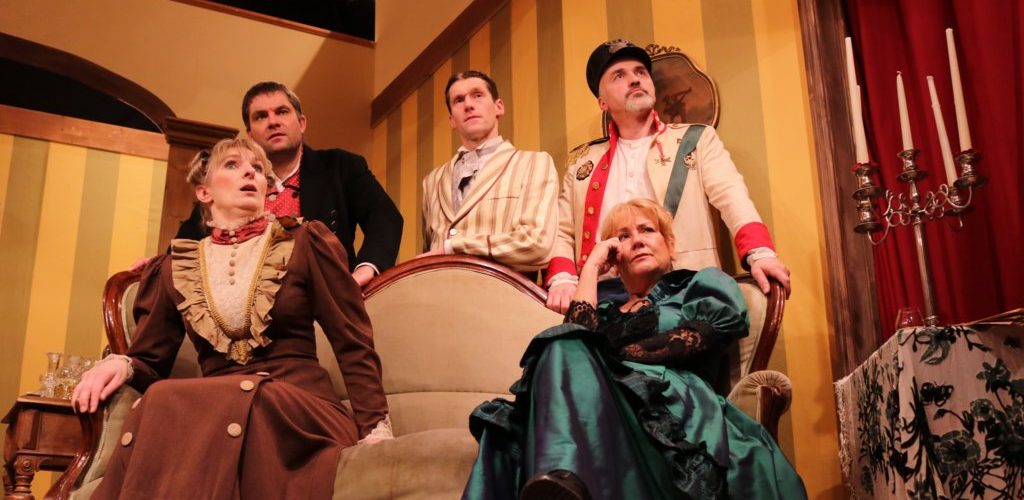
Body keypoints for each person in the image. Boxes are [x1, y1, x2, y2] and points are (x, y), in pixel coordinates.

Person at [73, 137, 393, 499]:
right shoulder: (175, 267)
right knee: (159, 398)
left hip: (296, 407)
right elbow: (151, 359)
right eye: (232, 165)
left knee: (258, 402)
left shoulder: (305, 242)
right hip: (216, 409)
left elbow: (351, 340)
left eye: (257, 168)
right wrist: (120, 364)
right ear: (204, 192)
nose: (250, 173)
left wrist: (375, 427)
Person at [463, 198, 806, 500]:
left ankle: (563, 479)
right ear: (615, 257)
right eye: (624, 237)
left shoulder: (700, 284)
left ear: (670, 246)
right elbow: (572, 343)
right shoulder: (605, 312)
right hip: (604, 412)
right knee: (559, 346)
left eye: (647, 230)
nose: (638, 240)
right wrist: (591, 268)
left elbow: (695, 340)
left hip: (668, 408)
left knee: (569, 344)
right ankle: (561, 483)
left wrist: (604, 358)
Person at [546, 40, 791, 313]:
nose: (635, 79)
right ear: (602, 102)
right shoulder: (583, 161)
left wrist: (760, 253)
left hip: (684, 290)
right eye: (619, 75)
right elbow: (562, 230)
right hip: (602, 297)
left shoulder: (697, 140)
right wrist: (563, 279)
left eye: (640, 72)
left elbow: (732, 197)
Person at [176, 82, 403, 287]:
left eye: (282, 112)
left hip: (324, 301)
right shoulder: (233, 182)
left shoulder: (340, 166)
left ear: (301, 123)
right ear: (250, 135)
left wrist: (365, 270)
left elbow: (385, 217)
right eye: (261, 116)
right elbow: (185, 246)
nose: (273, 122)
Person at [419, 71, 558, 273]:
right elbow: (429, 252)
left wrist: (454, 248)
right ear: (452, 120)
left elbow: (537, 243)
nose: (468, 104)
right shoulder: (432, 181)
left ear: (498, 107)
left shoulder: (534, 163)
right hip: (438, 289)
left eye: (477, 95)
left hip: (502, 289)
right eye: (459, 100)